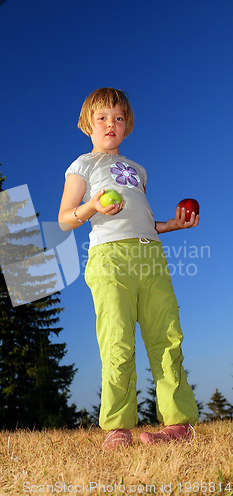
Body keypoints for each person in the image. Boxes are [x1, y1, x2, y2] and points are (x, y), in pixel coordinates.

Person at [58, 87, 199, 449]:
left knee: (166, 336)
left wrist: (173, 225)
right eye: (102, 117)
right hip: (109, 259)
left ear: (127, 126)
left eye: (119, 118)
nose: (111, 124)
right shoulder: (82, 165)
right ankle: (118, 427)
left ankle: (179, 424)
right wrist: (92, 206)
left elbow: (146, 222)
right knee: (117, 340)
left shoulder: (138, 170)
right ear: (88, 124)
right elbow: (64, 219)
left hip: (151, 254)